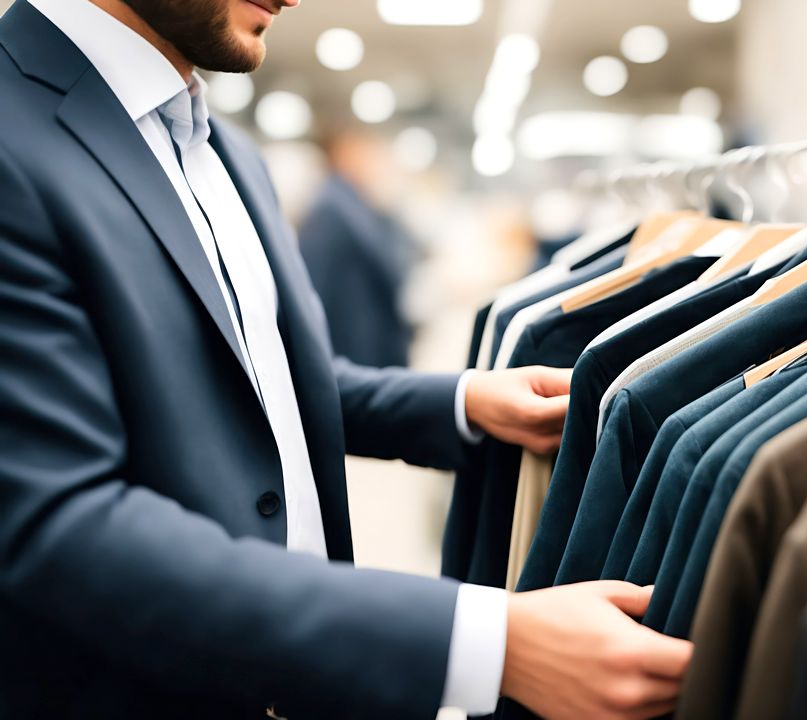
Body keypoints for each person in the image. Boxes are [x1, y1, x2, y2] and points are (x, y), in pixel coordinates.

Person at [0, 1, 693, 718]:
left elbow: (261, 377)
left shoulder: (223, 149)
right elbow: (56, 523)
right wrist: (488, 645)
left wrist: (461, 402)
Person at [299, 125, 418, 368]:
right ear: (345, 153)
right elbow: (313, 286)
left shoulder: (353, 205)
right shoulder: (331, 209)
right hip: (351, 349)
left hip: (363, 346)